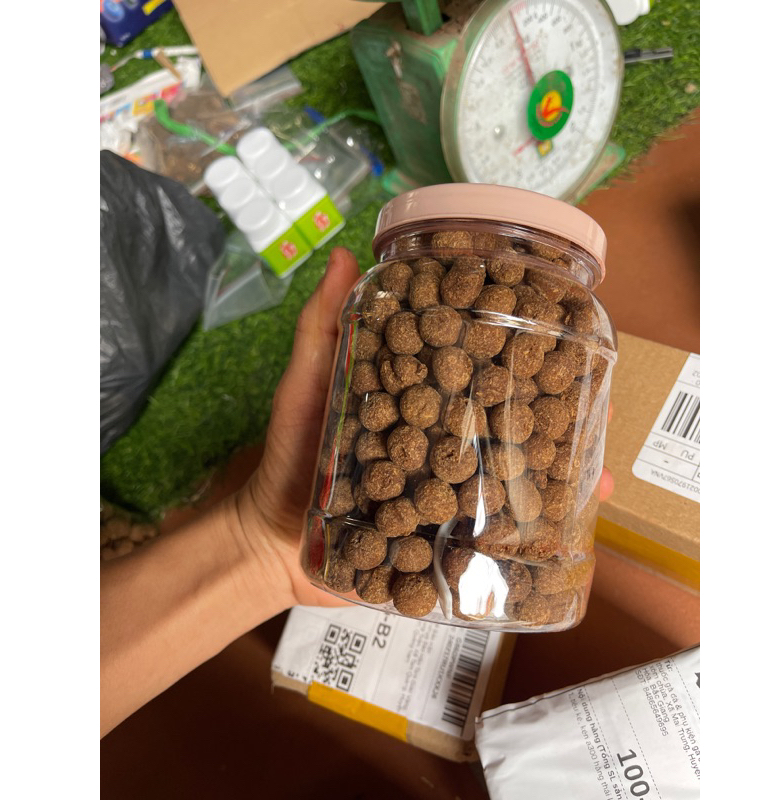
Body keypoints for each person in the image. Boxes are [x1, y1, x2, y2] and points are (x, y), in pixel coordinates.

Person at [100, 247, 614, 738]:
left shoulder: (543, 329)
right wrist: (263, 541)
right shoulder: (401, 301)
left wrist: (260, 547)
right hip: (376, 530)